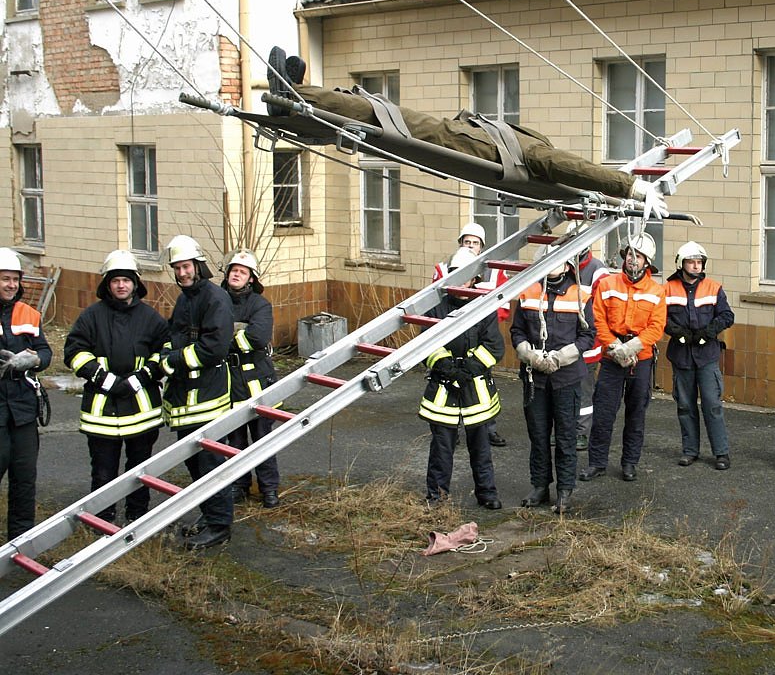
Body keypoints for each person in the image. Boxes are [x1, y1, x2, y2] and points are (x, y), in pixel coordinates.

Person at [265, 47, 667, 218]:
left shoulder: (542, 157)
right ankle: (301, 98)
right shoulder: (541, 158)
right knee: (378, 120)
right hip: (466, 140)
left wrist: (631, 188)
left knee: (380, 114)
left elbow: (577, 168)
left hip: (461, 142)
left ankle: (294, 93)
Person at [64, 250, 169, 525]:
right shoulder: (91, 316)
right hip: (102, 412)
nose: (121, 285)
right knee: (103, 471)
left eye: (126, 280)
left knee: (140, 469)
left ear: (135, 283)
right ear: (107, 284)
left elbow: (165, 351)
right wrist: (104, 379)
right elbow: (74, 351)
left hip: (141, 410)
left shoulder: (151, 318)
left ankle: (137, 517)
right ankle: (101, 520)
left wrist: (142, 377)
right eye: (115, 280)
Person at [160, 234, 236, 549]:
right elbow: (174, 335)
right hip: (185, 400)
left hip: (208, 398)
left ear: (198, 265)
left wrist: (173, 360)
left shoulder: (215, 298)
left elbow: (214, 348)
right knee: (194, 462)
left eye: (186, 266)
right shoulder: (185, 299)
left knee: (210, 463)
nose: (182, 273)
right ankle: (209, 514)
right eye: (177, 268)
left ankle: (220, 526)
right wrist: (167, 353)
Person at [510, 251, 596, 513]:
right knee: (538, 436)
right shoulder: (528, 291)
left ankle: (564, 491)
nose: (551, 266)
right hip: (534, 377)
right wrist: (529, 354)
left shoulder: (580, 294)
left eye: (557, 261)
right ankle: (540, 486)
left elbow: (588, 335)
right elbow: (517, 330)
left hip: (566, 377)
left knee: (566, 437)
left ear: (567, 265)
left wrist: (561, 357)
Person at [421, 247, 505, 509]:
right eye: (456, 275)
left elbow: (494, 347)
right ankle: (437, 497)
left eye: (465, 276)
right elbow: (426, 344)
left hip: (475, 387)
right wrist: (446, 367)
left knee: (481, 447)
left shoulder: (484, 306)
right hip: (444, 386)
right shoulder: (435, 307)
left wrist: (468, 369)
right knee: (442, 448)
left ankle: (487, 493)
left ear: (475, 279)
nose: (461, 282)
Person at [580, 233, 666, 482]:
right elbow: (598, 319)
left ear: (647, 262)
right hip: (611, 357)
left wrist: (632, 348)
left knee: (636, 414)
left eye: (638, 256)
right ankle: (597, 463)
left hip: (641, 358)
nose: (632, 259)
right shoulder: (608, 285)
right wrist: (615, 347)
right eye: (629, 254)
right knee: (604, 413)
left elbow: (656, 327)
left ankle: (629, 463)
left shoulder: (656, 291)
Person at [432, 222, 508, 447]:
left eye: (475, 243)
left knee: (482, 390)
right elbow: (437, 300)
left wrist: (485, 325)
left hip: (480, 338)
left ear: (482, 246)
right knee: (450, 388)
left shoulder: (495, 270)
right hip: (452, 338)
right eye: (467, 242)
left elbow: (503, 305)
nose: (470, 246)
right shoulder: (443, 268)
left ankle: (488, 429)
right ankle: (452, 430)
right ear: (460, 243)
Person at [221, 250, 282, 509]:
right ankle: (239, 485)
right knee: (234, 441)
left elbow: (258, 337)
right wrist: (238, 332)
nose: (236, 274)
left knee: (262, 439)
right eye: (233, 270)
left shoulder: (259, 304)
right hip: (228, 381)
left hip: (256, 380)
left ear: (251, 279)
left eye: (242, 272)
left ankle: (269, 488)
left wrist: (223, 340)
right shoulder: (217, 300)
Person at [666, 241, 735, 470]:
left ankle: (721, 453)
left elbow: (727, 316)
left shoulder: (713, 288)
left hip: (707, 356)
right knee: (685, 406)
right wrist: (677, 332)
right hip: (681, 356)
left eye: (699, 262)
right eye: (691, 262)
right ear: (681, 264)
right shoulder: (667, 289)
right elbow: (659, 317)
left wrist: (709, 332)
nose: (696, 266)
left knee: (712, 405)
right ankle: (690, 451)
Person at [0, 247, 52, 541]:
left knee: (24, 480)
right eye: (5, 279)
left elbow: (45, 351)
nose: (11, 285)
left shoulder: (28, 314)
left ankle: (20, 544)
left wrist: (33, 360)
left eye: (15, 279)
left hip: (22, 409)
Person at [561, 220, 609, 453]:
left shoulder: (598, 271)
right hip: (564, 343)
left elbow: (601, 312)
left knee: (583, 391)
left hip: (588, 345)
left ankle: (581, 432)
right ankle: (564, 429)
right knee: (563, 389)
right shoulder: (561, 266)